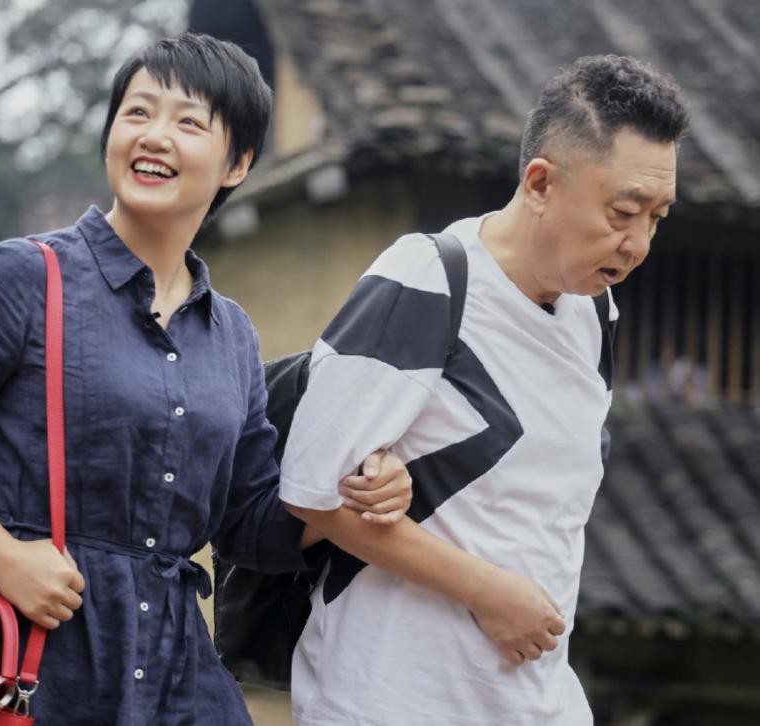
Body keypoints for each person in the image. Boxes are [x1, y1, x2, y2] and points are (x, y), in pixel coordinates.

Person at [0, 33, 413, 725]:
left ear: (238, 163)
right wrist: (4, 557)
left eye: (188, 122)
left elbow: (251, 523)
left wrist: (360, 485)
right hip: (30, 667)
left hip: (177, 675)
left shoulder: (231, 334)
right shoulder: (20, 279)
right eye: (137, 113)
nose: (154, 136)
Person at [280, 54, 689, 725]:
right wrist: (489, 593)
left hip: (532, 701)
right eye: (623, 212)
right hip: (392, 699)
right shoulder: (427, 278)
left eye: (657, 217)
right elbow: (311, 489)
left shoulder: (594, 314)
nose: (638, 242)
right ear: (540, 183)